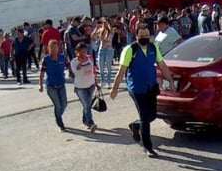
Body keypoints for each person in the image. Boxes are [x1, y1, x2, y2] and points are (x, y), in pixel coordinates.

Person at [108, 24, 175, 158]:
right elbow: (121, 71)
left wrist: (171, 82)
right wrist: (114, 89)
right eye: (141, 36)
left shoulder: (153, 48)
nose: (144, 38)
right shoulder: (130, 50)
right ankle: (148, 147)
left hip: (150, 87)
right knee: (145, 117)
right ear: (136, 36)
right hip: (136, 88)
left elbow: (162, 65)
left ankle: (135, 125)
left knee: (152, 115)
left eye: (146, 35)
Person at [39, 39, 72, 132]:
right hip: (51, 86)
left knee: (64, 104)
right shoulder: (46, 59)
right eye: (52, 47)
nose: (54, 49)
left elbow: (69, 66)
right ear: (49, 48)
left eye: (56, 47)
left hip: (61, 84)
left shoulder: (62, 57)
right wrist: (40, 85)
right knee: (57, 105)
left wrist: (72, 72)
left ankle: (58, 116)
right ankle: (60, 123)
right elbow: (41, 73)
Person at [72, 42, 98, 132]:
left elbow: (92, 71)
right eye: (81, 51)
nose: (84, 53)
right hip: (80, 87)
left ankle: (85, 120)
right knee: (87, 105)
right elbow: (75, 71)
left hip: (91, 84)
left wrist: (96, 83)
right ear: (77, 52)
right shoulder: (74, 61)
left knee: (87, 105)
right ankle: (91, 123)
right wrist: (81, 63)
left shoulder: (89, 58)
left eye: (85, 51)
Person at [91, 18, 116, 87]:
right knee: (101, 67)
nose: (104, 24)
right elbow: (92, 36)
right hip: (101, 49)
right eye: (103, 23)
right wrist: (96, 28)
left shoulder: (111, 30)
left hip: (109, 50)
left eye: (105, 23)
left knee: (108, 67)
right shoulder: (100, 30)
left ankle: (108, 83)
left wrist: (107, 23)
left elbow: (111, 30)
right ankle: (102, 82)